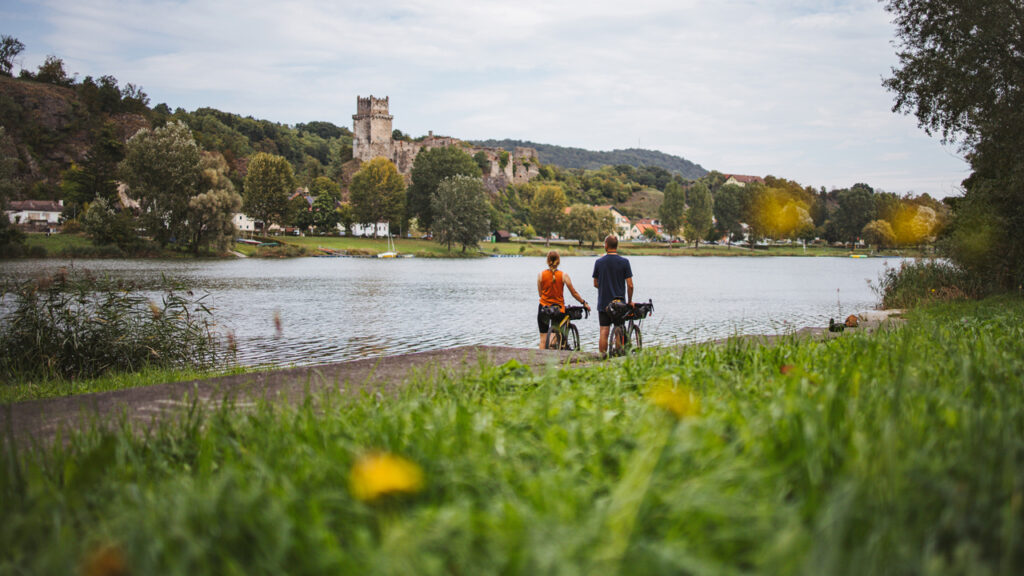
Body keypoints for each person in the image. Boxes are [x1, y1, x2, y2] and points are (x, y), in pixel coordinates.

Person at [537, 250, 589, 349]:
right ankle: (554, 352)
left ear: (547, 261)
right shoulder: (563, 275)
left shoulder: (540, 275)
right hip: (558, 309)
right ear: (558, 261)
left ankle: (540, 358)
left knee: (543, 340)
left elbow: (540, 294)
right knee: (554, 338)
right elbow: (574, 293)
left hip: (543, 308)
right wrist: (583, 302)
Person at [592, 234, 633, 356]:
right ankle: (618, 355)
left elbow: (595, 283)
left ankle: (602, 357)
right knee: (618, 330)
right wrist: (629, 301)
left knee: (604, 330)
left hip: (603, 303)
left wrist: (604, 287)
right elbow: (630, 285)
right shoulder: (624, 262)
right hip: (619, 304)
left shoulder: (599, 262)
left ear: (606, 245)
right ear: (616, 246)